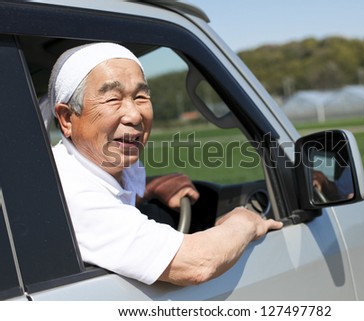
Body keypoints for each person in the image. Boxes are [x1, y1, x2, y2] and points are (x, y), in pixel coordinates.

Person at [49, 42, 282, 286]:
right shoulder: (71, 193)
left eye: (141, 97)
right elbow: (197, 264)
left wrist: (148, 189)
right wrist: (245, 222)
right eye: (112, 99)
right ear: (67, 118)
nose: (134, 115)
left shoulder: (90, 168)